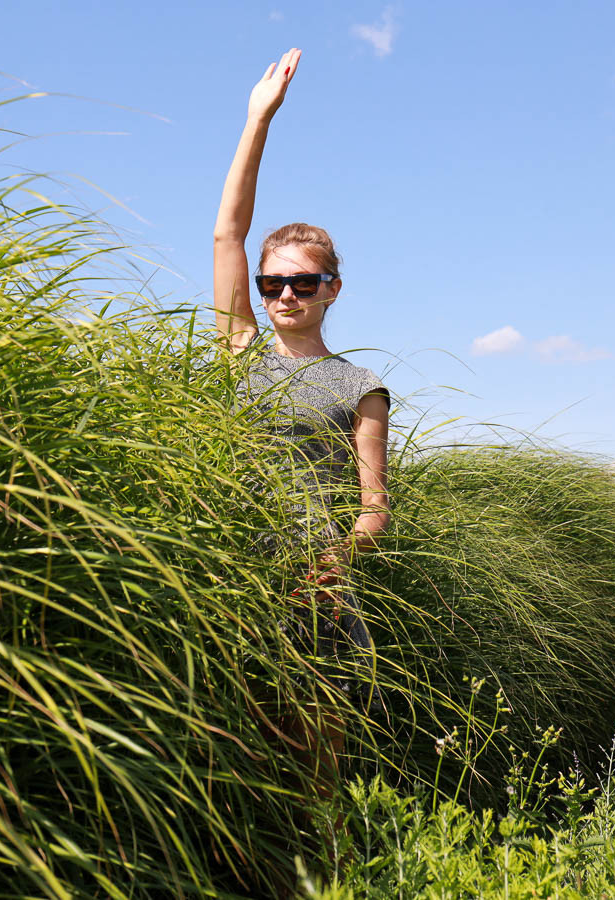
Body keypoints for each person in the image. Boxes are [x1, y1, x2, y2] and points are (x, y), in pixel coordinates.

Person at [212, 47, 391, 841]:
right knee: (233, 729)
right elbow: (228, 232)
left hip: (315, 577)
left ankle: (314, 863)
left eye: (302, 283)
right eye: (271, 283)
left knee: (315, 736)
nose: (285, 294)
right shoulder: (241, 351)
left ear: (332, 289)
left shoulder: (360, 386)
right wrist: (258, 119)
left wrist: (336, 558)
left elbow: (375, 506)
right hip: (228, 564)